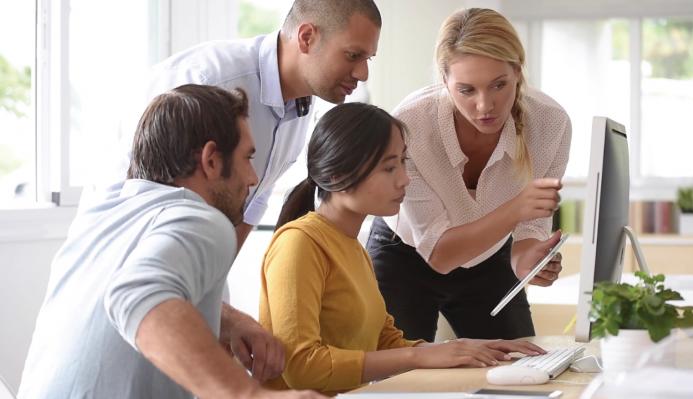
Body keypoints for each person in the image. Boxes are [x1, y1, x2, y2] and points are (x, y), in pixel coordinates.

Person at [18, 85, 322, 399]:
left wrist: (226, 319)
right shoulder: (203, 219)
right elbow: (136, 292)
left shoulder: (102, 214)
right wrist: (247, 394)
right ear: (211, 161)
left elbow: (128, 286)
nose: (253, 178)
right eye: (247, 158)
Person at [258, 103, 547, 396]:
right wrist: (420, 356)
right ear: (335, 176)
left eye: (402, 162)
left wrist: (459, 350)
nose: (404, 178)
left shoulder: (353, 248)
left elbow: (385, 342)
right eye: (388, 167)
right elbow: (300, 367)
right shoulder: (299, 244)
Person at [366, 8, 572, 342]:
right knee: (401, 380)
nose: (485, 106)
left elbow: (528, 230)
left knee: (519, 367)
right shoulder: (409, 125)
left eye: (498, 85)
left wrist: (529, 263)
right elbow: (440, 255)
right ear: (444, 81)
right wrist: (518, 208)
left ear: (517, 72)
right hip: (405, 254)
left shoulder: (550, 124)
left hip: (490, 256)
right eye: (467, 90)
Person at [144, 0, 381, 248]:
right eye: (353, 55)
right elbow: (148, 195)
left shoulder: (301, 103)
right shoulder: (209, 80)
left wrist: (217, 271)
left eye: (368, 59)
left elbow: (256, 198)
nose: (363, 74)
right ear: (307, 37)